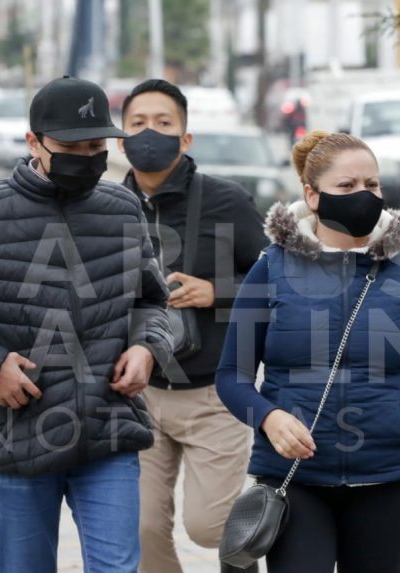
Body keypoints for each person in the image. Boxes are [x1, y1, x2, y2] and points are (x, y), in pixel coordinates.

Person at [0, 76, 173, 573]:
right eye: (72, 147)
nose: (89, 157)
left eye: (98, 146)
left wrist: (148, 347)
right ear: (33, 142)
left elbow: (153, 302)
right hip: (17, 433)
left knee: (118, 567)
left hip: (108, 429)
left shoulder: (123, 209)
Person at [216, 130, 400, 573]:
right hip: (295, 479)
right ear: (312, 195)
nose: (363, 196)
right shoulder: (270, 269)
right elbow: (231, 375)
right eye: (346, 187)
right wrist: (268, 417)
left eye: (372, 185)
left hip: (388, 479)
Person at [118, 79, 267, 573]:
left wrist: (216, 291)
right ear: (121, 139)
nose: (149, 133)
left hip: (213, 395)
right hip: (138, 395)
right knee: (141, 528)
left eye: (164, 123)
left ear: (186, 138)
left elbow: (277, 282)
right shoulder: (105, 210)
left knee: (210, 527)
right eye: (138, 124)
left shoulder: (229, 202)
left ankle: (266, 519)